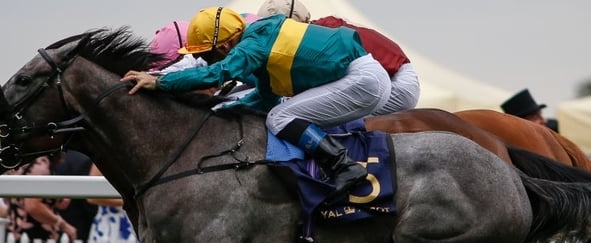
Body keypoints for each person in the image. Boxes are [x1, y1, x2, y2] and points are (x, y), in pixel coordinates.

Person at [122, 6, 391, 204]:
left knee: (280, 119)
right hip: (362, 77)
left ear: (226, 45)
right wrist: (218, 111)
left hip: (361, 80)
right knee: (281, 114)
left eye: (206, 53)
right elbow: (264, 98)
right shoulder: (262, 41)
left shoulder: (253, 44)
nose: (206, 59)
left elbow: (218, 74)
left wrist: (159, 83)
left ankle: (345, 167)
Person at [256, 0, 421, 115]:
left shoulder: (316, 37)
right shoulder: (323, 26)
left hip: (396, 82)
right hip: (397, 77)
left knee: (317, 115)